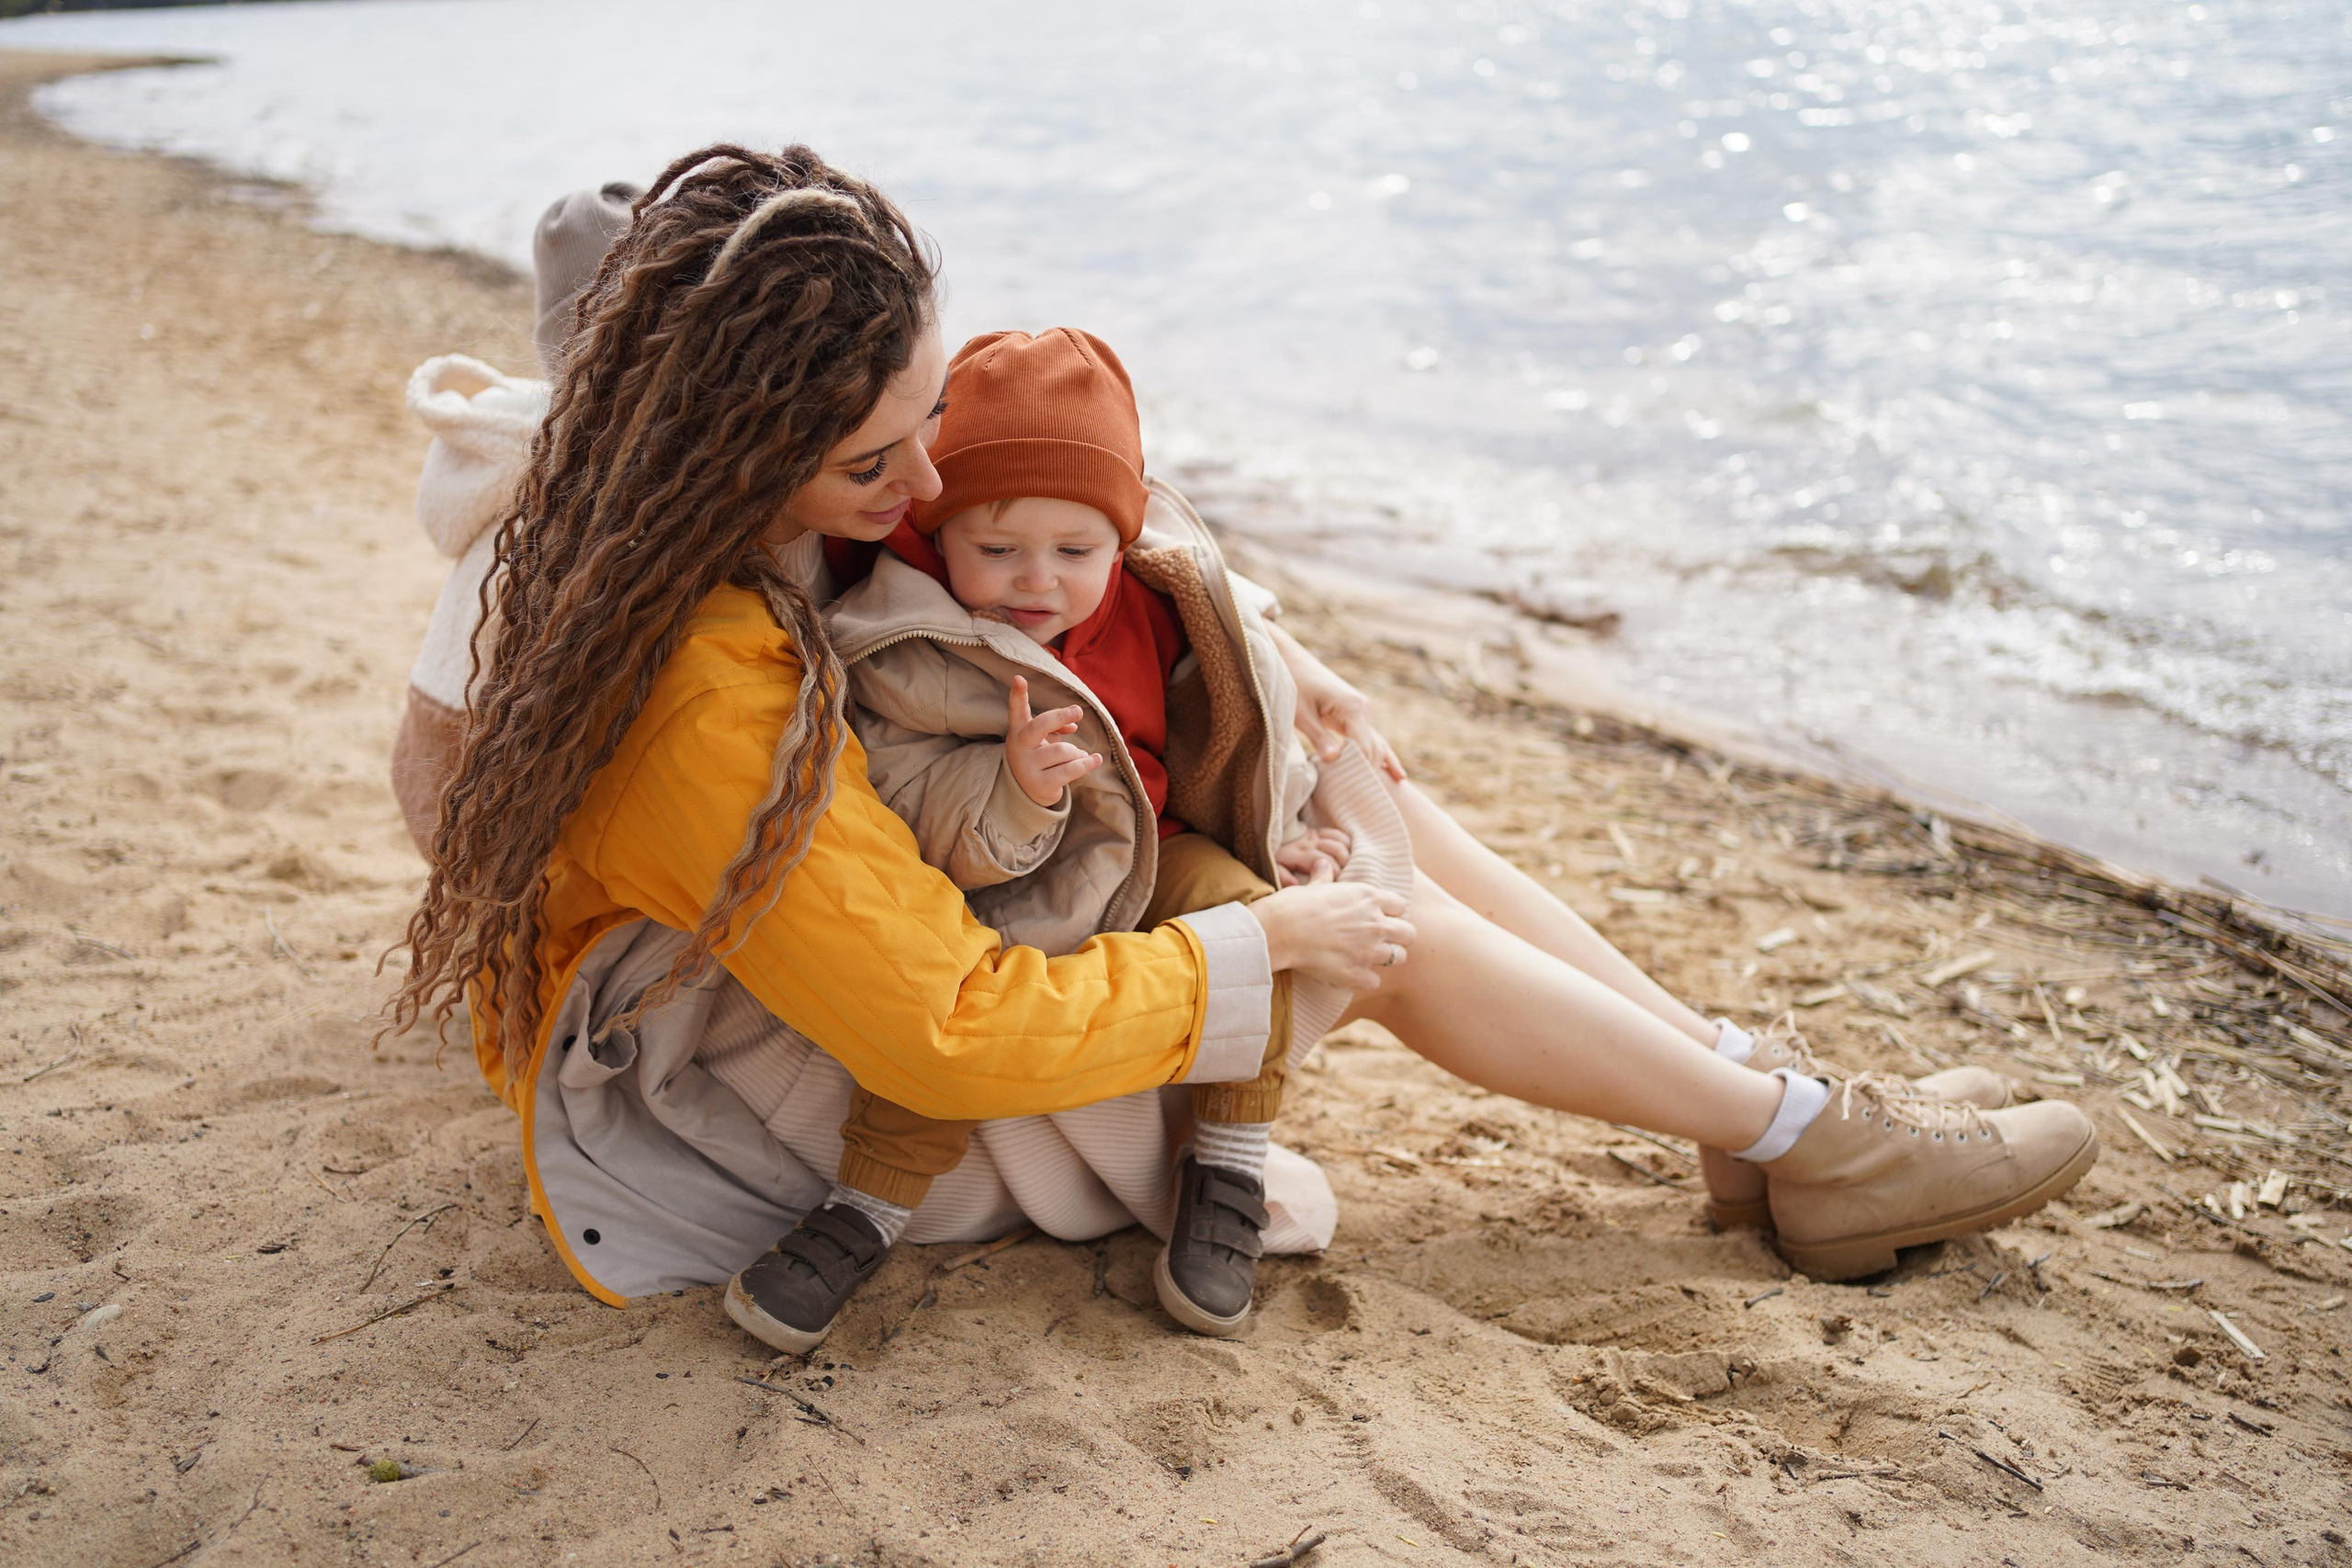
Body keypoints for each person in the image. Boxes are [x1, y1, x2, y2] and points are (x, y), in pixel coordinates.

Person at [386, 144, 2097, 1339]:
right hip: (747, 1085)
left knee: (1340, 777)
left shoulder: (687, 495)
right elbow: (950, 1027)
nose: (919, 502)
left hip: (859, 937)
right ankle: (1807, 1141)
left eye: (917, 437)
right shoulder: (702, 684)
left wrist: (1282, 656)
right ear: (733, 442)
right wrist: (1262, 938)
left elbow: (1070, 492)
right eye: (873, 466)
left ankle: (1754, 1112)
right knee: (1344, 892)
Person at [740, 325, 1388, 1348]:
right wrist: (1015, 793)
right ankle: (867, 1204)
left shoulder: (1159, 610)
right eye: (996, 550)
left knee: (1263, 927)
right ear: (933, 532)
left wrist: (1294, 828)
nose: (1035, 581)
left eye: (1074, 552)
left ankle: (1228, 1158)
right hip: (994, 878)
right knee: (941, 1021)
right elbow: (903, 795)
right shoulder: (909, 641)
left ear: (1119, 545)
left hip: (1150, 849)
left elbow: (1236, 726)